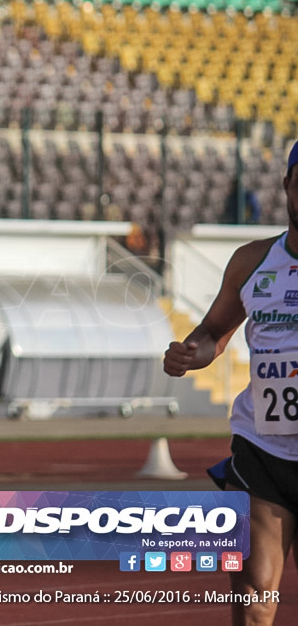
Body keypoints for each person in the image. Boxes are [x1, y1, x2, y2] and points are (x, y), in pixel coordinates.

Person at [164, 139, 298, 625]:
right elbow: (213, 333)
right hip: (263, 448)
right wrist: (190, 353)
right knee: (254, 596)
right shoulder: (252, 262)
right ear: (288, 185)